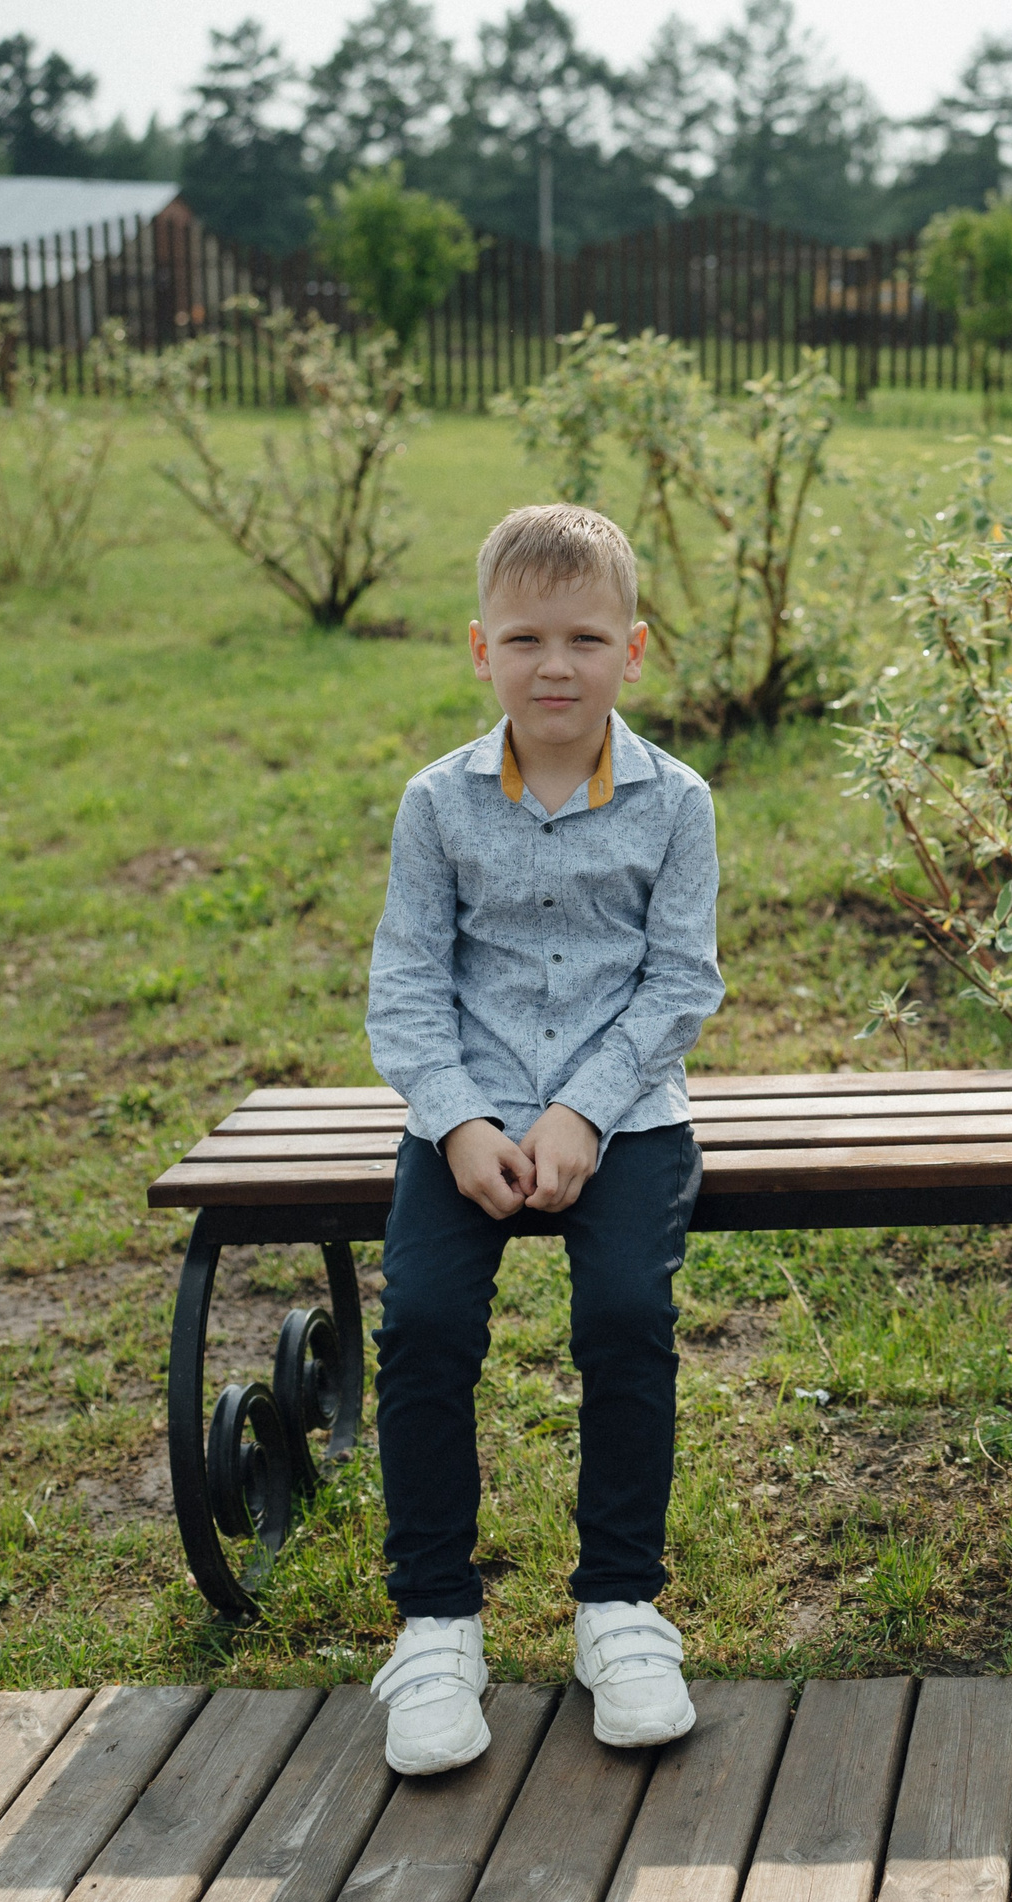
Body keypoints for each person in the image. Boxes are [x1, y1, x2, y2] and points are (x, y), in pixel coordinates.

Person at [363, 503, 723, 1774]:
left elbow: (681, 981)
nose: (554, 666)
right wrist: (459, 1120)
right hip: (462, 1115)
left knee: (626, 1317)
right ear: (480, 650)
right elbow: (406, 985)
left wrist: (582, 1113)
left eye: (584, 638)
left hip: (623, 1114)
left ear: (636, 647)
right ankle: (434, 1622)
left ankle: (619, 1606)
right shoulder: (437, 804)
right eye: (524, 638)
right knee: (424, 1329)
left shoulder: (677, 803)